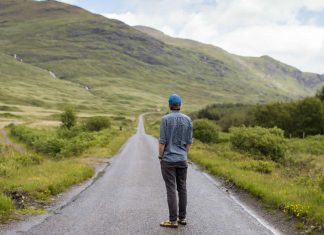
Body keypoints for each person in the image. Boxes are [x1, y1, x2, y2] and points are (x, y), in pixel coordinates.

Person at [159, 94, 193, 228]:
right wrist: (183, 154)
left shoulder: (165, 119)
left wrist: (160, 157)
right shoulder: (188, 119)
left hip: (168, 160)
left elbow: (162, 142)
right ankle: (182, 218)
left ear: (169, 105)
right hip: (182, 159)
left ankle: (172, 220)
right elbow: (189, 143)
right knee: (182, 188)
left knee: (171, 189)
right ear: (180, 105)